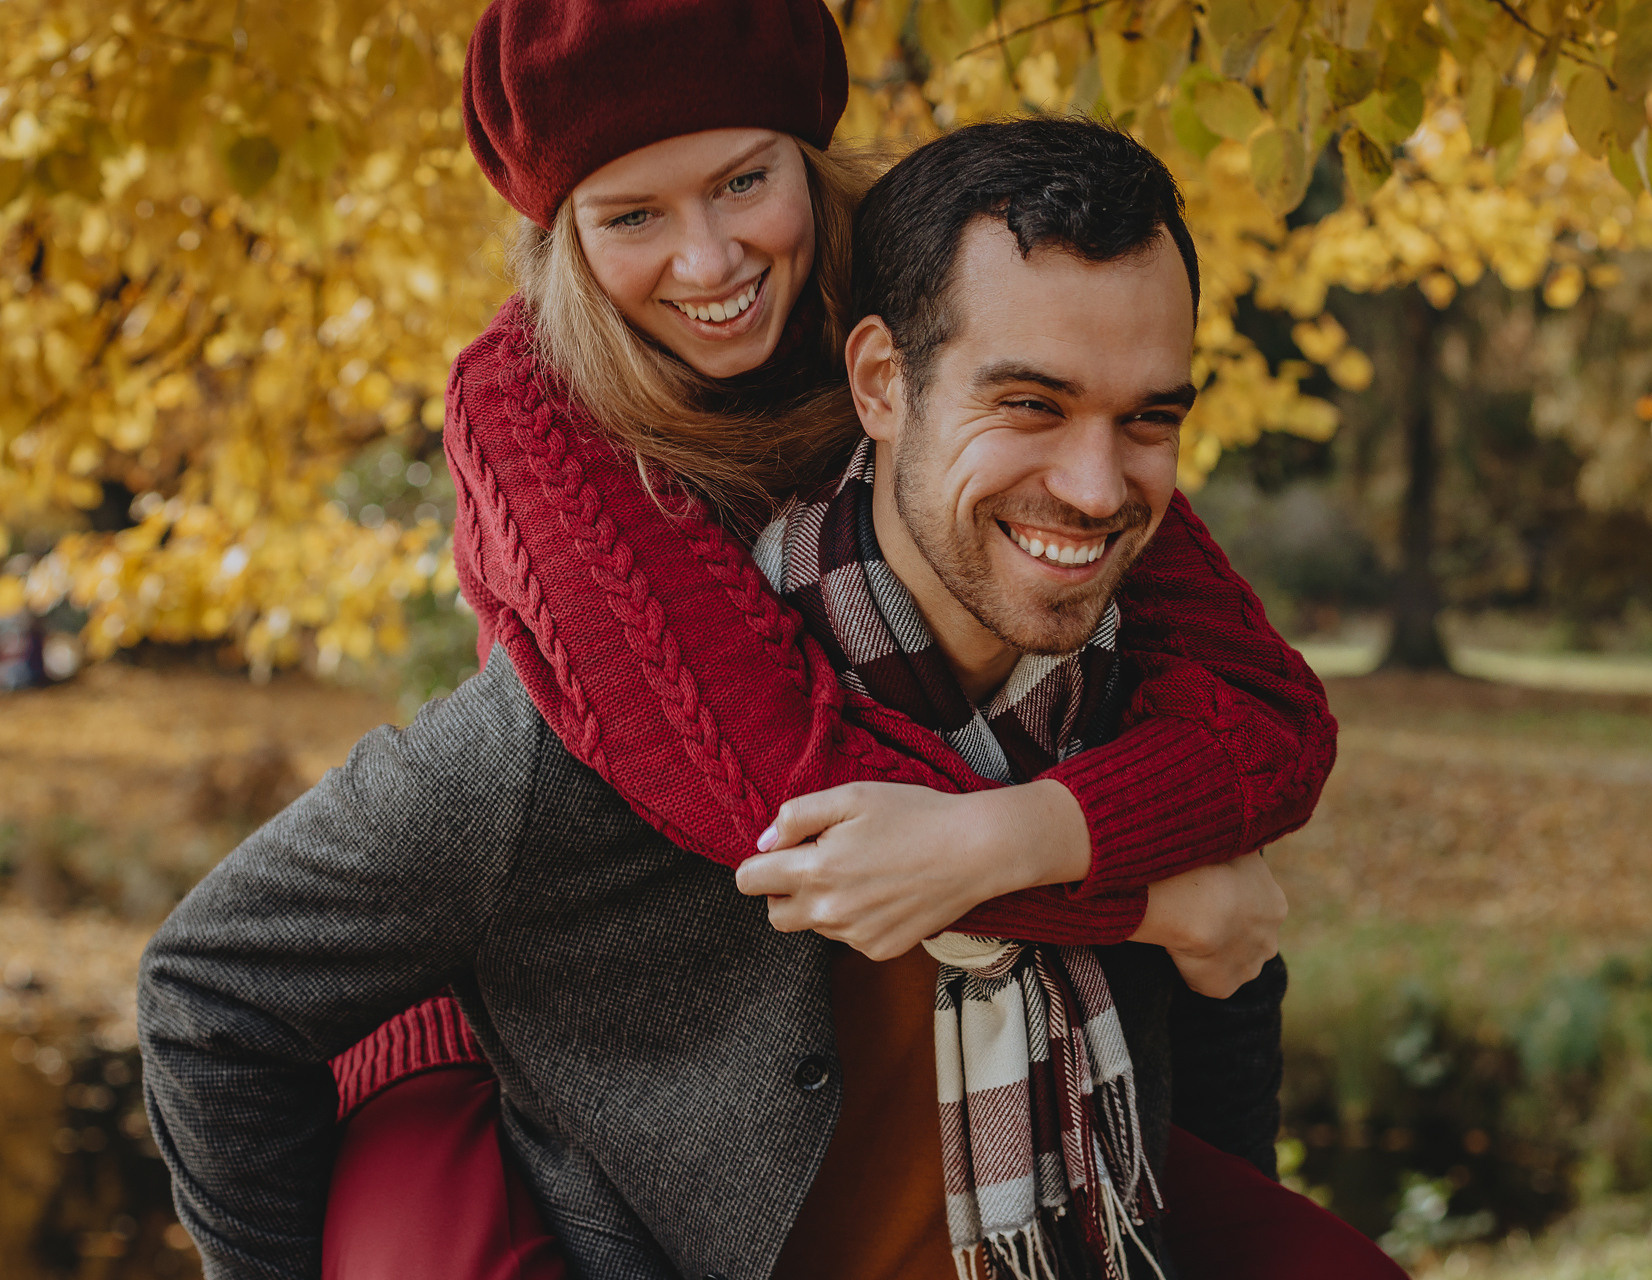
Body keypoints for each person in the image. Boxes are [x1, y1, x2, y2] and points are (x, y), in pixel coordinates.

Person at [140, 115, 1404, 1280]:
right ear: (881, 384)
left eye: (1149, 420)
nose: (1092, 485)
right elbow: (212, 993)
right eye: (1027, 405)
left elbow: (1227, 981)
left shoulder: (1137, 691)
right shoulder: (580, 733)